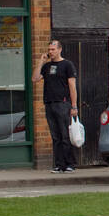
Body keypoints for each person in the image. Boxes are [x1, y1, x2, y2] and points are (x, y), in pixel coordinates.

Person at [32, 40, 79, 173]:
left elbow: (72, 86)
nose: (50, 52)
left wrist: (74, 106)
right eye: (49, 50)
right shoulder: (47, 67)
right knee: (55, 136)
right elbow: (34, 79)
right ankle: (58, 164)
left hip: (63, 104)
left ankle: (69, 164)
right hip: (49, 103)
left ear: (60, 49)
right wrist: (41, 62)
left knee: (65, 135)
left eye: (53, 49)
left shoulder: (67, 65)